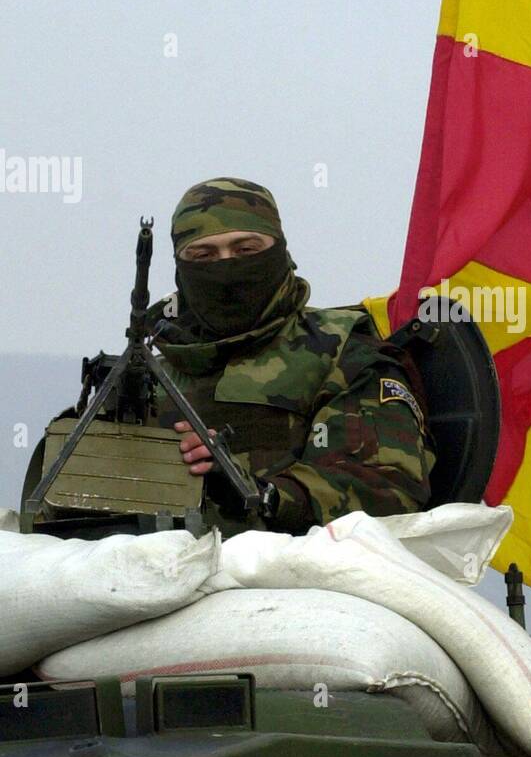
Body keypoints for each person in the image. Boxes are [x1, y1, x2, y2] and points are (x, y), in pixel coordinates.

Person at [150, 177, 435, 535]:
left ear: (280, 253)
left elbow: (386, 490)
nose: (226, 268)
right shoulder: (150, 375)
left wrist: (260, 493)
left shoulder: (342, 352)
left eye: (246, 250)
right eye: (203, 256)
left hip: (296, 582)